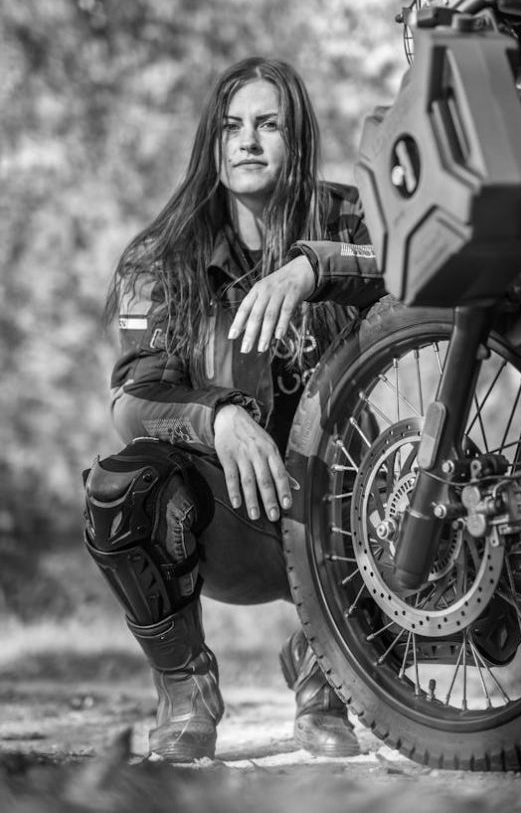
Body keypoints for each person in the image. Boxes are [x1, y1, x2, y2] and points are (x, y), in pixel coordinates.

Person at [83, 56, 386, 762]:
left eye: (269, 125)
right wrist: (218, 416)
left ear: (298, 138)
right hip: (217, 523)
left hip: (341, 519)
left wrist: (312, 268)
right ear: (212, 143)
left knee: (430, 482)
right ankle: (186, 685)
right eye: (232, 126)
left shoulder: (345, 218)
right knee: (121, 484)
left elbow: (427, 261)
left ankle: (324, 670)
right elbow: (133, 402)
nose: (247, 141)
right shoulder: (160, 256)